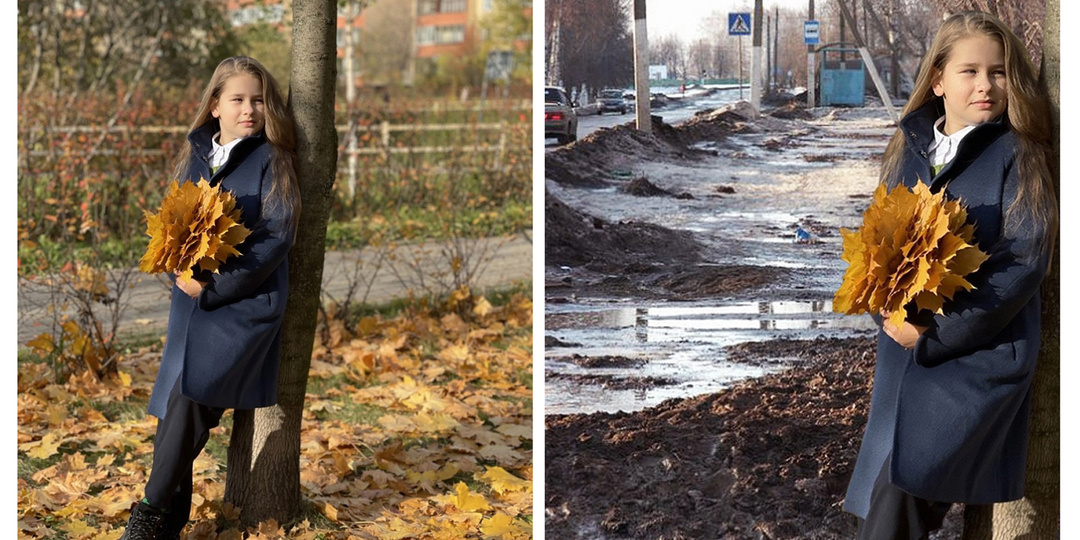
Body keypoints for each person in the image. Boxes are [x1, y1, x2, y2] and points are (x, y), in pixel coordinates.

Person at [843, 11, 1056, 540]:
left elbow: (1023, 262)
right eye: (970, 71)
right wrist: (886, 312)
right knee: (875, 506)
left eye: (1000, 72)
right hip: (902, 360)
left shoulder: (1018, 154)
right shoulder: (908, 148)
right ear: (937, 80)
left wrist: (934, 334)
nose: (986, 84)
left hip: (974, 365)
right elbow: (876, 246)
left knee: (902, 500)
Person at [120, 56, 300, 540]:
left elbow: (277, 237)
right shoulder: (196, 153)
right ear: (215, 105)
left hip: (243, 307)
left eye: (259, 100)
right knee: (171, 409)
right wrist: (172, 260)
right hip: (189, 306)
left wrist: (216, 286)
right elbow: (175, 218)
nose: (250, 110)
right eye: (238, 100)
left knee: (190, 398)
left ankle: (146, 517)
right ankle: (168, 523)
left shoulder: (272, 157)